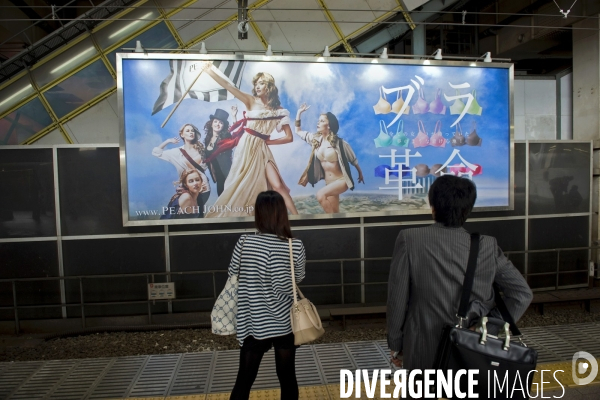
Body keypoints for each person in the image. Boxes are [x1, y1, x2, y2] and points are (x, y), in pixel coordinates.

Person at [387, 174, 533, 374]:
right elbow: (522, 293)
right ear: (468, 210)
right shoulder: (486, 245)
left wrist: (396, 344)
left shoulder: (410, 239)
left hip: (422, 345)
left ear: (433, 206)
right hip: (470, 347)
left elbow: (397, 297)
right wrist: (485, 329)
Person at [228, 190, 306, 400]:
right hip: (284, 324)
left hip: (253, 323)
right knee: (288, 379)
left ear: (259, 214)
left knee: (243, 381)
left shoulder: (244, 242)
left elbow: (232, 273)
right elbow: (298, 278)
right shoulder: (294, 245)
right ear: (282, 213)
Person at [200, 62, 298, 217]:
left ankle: (297, 218)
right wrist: (209, 71)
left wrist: (268, 142)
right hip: (246, 146)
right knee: (240, 183)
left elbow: (289, 137)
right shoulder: (250, 100)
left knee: (278, 185)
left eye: (261, 83)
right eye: (256, 84)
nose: (257, 86)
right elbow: (228, 86)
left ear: (269, 86)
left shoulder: (280, 111)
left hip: (262, 149)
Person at [295, 103, 365, 213]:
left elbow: (353, 159)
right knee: (334, 212)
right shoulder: (315, 139)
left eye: (322, 121)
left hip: (341, 181)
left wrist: (360, 173)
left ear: (329, 125)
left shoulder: (340, 143)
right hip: (329, 183)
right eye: (318, 120)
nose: (318, 123)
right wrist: (299, 113)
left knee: (320, 195)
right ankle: (341, 228)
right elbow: (298, 131)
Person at [152, 123, 211, 209]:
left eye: (192, 131)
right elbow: (156, 153)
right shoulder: (177, 152)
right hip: (187, 189)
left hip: (204, 187)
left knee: (198, 212)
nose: (191, 133)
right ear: (182, 135)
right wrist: (168, 141)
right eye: (188, 131)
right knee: (188, 214)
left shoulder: (202, 150)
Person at [203, 107, 235, 196]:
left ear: (223, 126)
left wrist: (234, 117)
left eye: (221, 123)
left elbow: (234, 134)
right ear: (211, 123)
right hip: (219, 179)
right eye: (216, 121)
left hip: (229, 176)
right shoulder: (207, 140)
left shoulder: (225, 137)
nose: (218, 124)